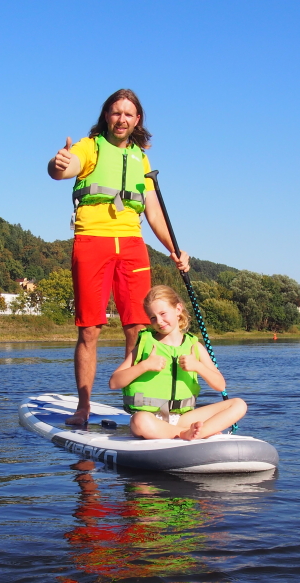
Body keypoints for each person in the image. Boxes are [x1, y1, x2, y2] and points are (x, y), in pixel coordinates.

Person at [48, 89, 190, 426]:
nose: (121, 119)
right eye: (115, 113)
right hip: (92, 241)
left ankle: (138, 405)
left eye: (128, 114)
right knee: (90, 330)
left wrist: (174, 250)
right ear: (106, 116)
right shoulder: (90, 146)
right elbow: (63, 170)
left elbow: (153, 212)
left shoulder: (141, 158)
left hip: (131, 245)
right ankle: (83, 407)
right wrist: (59, 165)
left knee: (138, 328)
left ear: (137, 119)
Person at [109, 285, 247, 441]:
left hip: (183, 418)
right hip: (151, 419)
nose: (159, 321)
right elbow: (114, 382)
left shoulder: (195, 347)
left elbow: (220, 385)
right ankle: (184, 434)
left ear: (178, 309)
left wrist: (198, 366)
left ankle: (199, 432)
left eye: (163, 314)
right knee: (139, 420)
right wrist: (144, 365)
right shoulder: (145, 345)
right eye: (153, 317)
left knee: (238, 404)